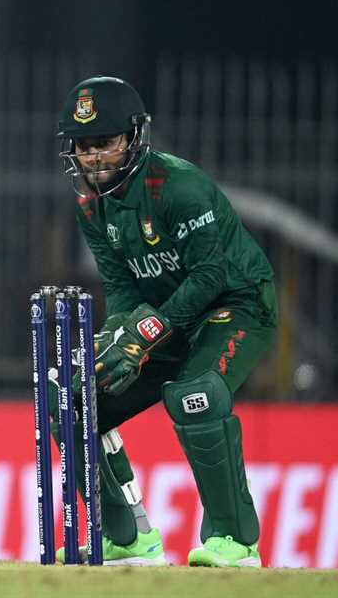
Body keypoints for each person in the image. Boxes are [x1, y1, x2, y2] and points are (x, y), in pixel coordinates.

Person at [56, 76, 276, 567]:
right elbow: (121, 286)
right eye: (83, 146)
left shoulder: (179, 187)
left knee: (193, 394)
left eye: (104, 143)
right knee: (74, 398)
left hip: (235, 303)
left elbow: (211, 274)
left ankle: (236, 542)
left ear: (134, 138)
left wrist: (146, 333)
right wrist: (120, 332)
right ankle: (129, 538)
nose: (92, 157)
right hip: (167, 315)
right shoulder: (90, 205)